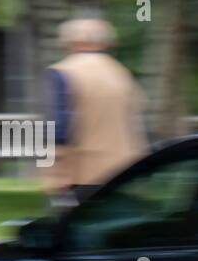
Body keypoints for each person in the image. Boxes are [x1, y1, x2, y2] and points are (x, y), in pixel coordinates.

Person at [43, 18, 148, 207]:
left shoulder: (63, 72)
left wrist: (57, 174)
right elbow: (136, 118)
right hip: (124, 168)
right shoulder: (121, 73)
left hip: (82, 170)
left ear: (72, 41)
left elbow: (60, 127)